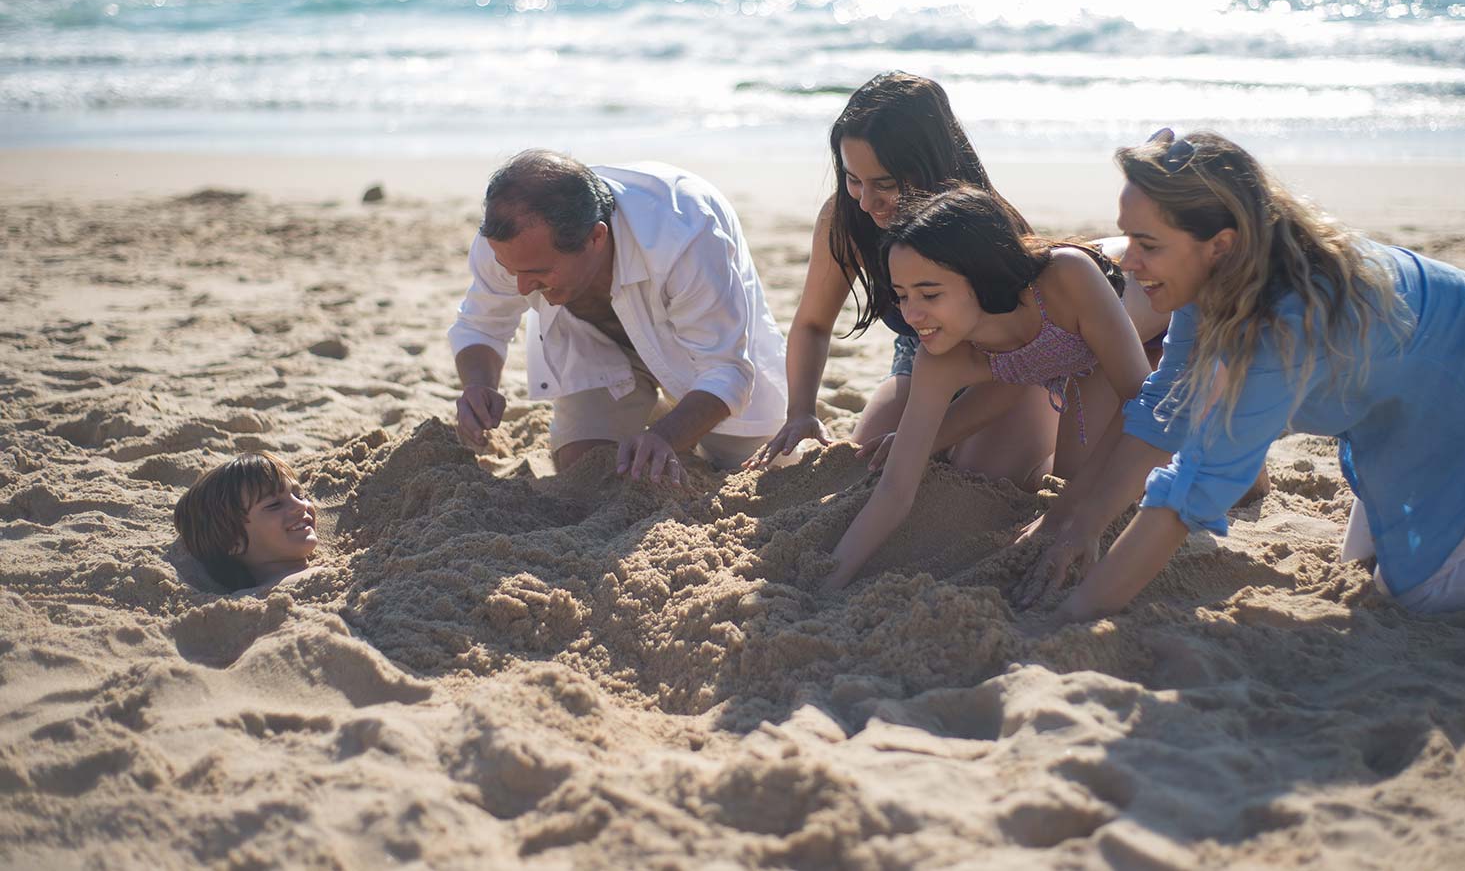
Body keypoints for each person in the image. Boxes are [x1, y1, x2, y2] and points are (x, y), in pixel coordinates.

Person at [1014, 128, 1465, 620]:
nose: (1126, 260)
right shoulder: (1211, 282)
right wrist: (1076, 520)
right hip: (1418, 417)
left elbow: (1191, 491)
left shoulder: (1282, 324)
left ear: (1219, 244)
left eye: (1146, 243)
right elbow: (1166, 404)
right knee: (1369, 565)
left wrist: (1074, 617)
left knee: (1420, 590)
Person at [747, 71, 1166, 480]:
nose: (867, 202)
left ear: (929, 165)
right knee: (866, 466)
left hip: (1019, 364)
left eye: (885, 183)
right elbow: (814, 323)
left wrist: (929, 439)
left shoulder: (979, 227)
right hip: (926, 355)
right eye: (853, 179)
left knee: (988, 473)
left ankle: (1154, 196)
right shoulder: (846, 219)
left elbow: (1022, 360)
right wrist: (801, 411)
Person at [822, 186, 1153, 590]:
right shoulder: (938, 358)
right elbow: (894, 492)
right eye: (902, 296)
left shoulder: (1067, 276)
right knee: (1076, 473)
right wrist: (829, 578)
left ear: (979, 276)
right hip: (1087, 357)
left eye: (929, 293)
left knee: (1112, 476)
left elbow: (1142, 403)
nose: (911, 315)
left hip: (1169, 307)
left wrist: (1058, 515)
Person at [449, 150, 787, 483]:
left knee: (757, 466)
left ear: (596, 237)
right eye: (513, 272)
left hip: (703, 354)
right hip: (595, 347)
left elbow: (726, 370)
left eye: (538, 272)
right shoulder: (507, 243)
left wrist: (665, 436)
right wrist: (479, 385)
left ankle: (663, 411)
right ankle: (643, 406)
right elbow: (481, 326)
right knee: (585, 471)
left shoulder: (685, 235)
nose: (522, 288)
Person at [173, 453, 319, 592]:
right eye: (274, 505)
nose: (300, 506)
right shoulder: (256, 598)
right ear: (234, 541)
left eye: (300, 495)